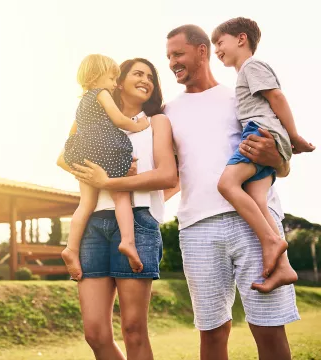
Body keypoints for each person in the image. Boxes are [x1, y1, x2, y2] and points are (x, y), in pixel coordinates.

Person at [164, 24, 300, 360]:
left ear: (201, 52)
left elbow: (278, 156)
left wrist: (281, 162)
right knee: (211, 332)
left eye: (178, 54)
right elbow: (170, 177)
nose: (172, 62)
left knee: (269, 327)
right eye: (168, 56)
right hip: (197, 229)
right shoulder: (167, 112)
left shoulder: (240, 94)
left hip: (253, 223)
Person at [58, 58, 177, 360]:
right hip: (93, 225)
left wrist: (110, 180)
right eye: (138, 73)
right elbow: (63, 157)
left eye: (151, 76)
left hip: (136, 222)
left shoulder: (157, 122)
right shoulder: (94, 113)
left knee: (134, 331)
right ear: (118, 80)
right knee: (95, 334)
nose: (146, 80)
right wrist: (91, 173)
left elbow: (168, 176)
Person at [210, 17, 314, 291]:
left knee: (226, 184)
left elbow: (277, 98)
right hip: (266, 134)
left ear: (241, 39)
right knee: (257, 197)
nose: (216, 50)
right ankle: (284, 268)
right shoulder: (244, 73)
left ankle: (271, 241)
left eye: (220, 42)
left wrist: (294, 137)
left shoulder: (251, 66)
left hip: (260, 132)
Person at [61, 54, 150, 281]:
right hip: (107, 149)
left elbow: (72, 136)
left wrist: (79, 162)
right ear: (97, 76)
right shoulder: (101, 94)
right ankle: (128, 242)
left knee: (85, 204)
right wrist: (139, 125)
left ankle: (71, 249)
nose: (113, 84)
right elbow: (119, 120)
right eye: (112, 78)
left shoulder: (81, 104)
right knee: (121, 196)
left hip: (83, 153)